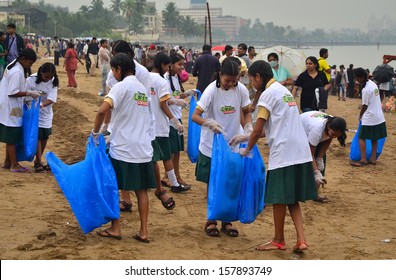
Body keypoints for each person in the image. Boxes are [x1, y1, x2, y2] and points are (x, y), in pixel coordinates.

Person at [239, 60, 316, 251]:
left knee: (278, 198)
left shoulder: (267, 96)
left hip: (284, 152)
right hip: (301, 151)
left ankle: (278, 240)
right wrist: (243, 136)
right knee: (293, 198)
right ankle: (301, 239)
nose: (251, 84)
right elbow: (273, 127)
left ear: (258, 77)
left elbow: (258, 130)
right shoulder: (284, 91)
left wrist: (246, 149)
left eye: (251, 80)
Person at [94, 53, 155, 242]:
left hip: (123, 148)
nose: (113, 73)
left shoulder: (120, 87)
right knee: (141, 191)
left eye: (113, 70)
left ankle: (116, 228)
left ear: (119, 69)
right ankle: (144, 231)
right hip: (143, 148)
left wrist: (97, 133)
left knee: (114, 188)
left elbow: (102, 110)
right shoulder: (142, 90)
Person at [192, 57, 252, 238]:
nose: (231, 84)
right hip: (212, 145)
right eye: (227, 81)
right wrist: (209, 123)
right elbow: (195, 115)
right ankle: (211, 219)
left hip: (232, 143)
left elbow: (247, 112)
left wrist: (248, 127)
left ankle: (227, 219)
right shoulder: (211, 90)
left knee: (231, 181)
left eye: (235, 81)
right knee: (214, 182)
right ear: (220, 74)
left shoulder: (240, 90)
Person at [150, 52, 186, 209]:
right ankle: (174, 182)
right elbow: (163, 104)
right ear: (165, 65)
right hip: (161, 125)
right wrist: (174, 121)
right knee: (166, 156)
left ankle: (161, 185)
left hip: (148, 125)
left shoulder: (145, 77)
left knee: (153, 159)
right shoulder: (162, 80)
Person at [0, 48, 40, 173]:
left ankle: (7, 161)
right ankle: (14, 164)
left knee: (10, 135)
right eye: (29, 63)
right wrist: (29, 93)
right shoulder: (17, 72)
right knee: (13, 137)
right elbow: (13, 92)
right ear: (23, 59)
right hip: (12, 107)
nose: (30, 66)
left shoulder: (12, 64)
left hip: (6, 105)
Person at [161, 53, 193, 191]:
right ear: (171, 65)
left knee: (177, 150)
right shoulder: (165, 79)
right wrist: (174, 102)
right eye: (179, 64)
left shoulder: (175, 78)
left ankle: (176, 176)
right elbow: (165, 99)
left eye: (183, 64)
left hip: (177, 117)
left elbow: (175, 95)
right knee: (172, 151)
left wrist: (186, 94)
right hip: (170, 119)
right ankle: (169, 177)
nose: (182, 67)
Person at [300, 111, 347, 203]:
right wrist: (316, 171)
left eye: (337, 136)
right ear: (328, 127)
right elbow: (309, 153)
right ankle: (300, 192)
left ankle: (315, 194)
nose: (334, 136)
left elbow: (328, 139)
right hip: (299, 132)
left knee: (320, 163)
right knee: (305, 164)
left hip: (312, 132)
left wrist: (320, 158)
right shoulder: (317, 130)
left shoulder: (333, 124)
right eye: (333, 134)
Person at [25, 63, 59, 172]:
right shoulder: (31, 79)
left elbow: (51, 99)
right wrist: (32, 105)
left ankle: (37, 160)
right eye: (45, 77)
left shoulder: (53, 81)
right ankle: (39, 162)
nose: (47, 79)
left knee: (45, 137)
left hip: (46, 113)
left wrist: (41, 105)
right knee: (37, 136)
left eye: (49, 77)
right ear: (41, 73)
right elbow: (24, 94)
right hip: (32, 112)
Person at [351, 68, 387, 167]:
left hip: (369, 117)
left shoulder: (366, 89)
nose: (356, 80)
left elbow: (365, 105)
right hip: (379, 116)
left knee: (361, 137)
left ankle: (363, 160)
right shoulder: (373, 84)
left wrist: (360, 115)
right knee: (374, 138)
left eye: (357, 78)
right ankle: (373, 159)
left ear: (361, 77)